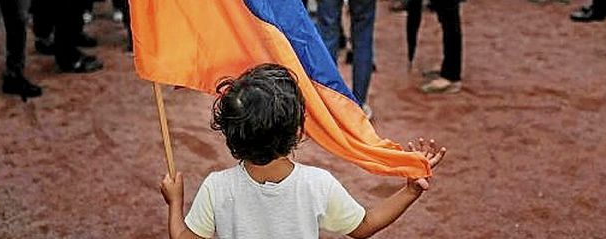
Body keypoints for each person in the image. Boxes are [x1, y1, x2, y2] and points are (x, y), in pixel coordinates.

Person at [160, 63, 446, 239]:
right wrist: (410, 191)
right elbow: (365, 226)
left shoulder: (216, 188)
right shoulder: (317, 184)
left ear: (230, 134)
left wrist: (175, 202)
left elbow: (183, 237)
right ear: (298, 130)